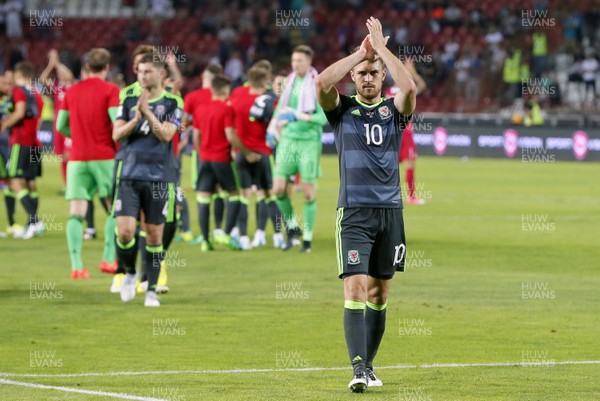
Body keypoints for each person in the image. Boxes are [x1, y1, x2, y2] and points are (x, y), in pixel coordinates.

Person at [315, 17, 416, 392]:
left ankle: (370, 365)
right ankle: (357, 368)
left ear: (382, 77)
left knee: (379, 293)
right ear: (354, 78)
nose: (369, 78)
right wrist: (360, 52)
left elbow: (409, 87)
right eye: (362, 73)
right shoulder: (340, 111)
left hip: (390, 212)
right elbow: (321, 82)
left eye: (374, 73)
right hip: (354, 213)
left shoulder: (394, 113)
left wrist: (382, 50)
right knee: (355, 288)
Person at [112, 54, 182, 307]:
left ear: (162, 74)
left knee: (154, 236)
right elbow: (117, 134)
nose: (142, 76)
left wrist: (148, 114)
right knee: (125, 232)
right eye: (140, 71)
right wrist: (135, 119)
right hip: (129, 175)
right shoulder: (128, 99)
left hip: (159, 178)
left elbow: (166, 135)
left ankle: (151, 289)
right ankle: (129, 272)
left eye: (148, 71)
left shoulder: (174, 102)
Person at [56, 48, 120, 279]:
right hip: (104, 157)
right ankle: (108, 259)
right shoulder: (111, 90)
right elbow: (117, 124)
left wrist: (78, 136)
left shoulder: (71, 92)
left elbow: (60, 125)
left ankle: (77, 266)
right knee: (115, 208)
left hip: (77, 159)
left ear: (86, 67)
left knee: (76, 213)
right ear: (106, 68)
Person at [193, 74, 260, 251]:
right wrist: (246, 152)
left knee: (204, 198)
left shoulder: (200, 109)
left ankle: (205, 241)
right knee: (235, 194)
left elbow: (195, 136)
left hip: (204, 159)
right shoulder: (226, 109)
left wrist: (202, 153)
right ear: (224, 90)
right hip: (222, 159)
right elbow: (230, 135)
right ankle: (226, 233)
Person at [270, 45, 327, 253]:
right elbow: (280, 111)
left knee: (309, 194)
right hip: (287, 139)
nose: (295, 64)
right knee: (277, 190)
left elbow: (323, 118)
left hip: (308, 142)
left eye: (300, 61)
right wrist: (272, 130)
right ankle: (293, 227)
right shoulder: (288, 82)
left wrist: (299, 115)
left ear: (309, 62)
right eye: (293, 61)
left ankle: (308, 240)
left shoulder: (318, 84)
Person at [229, 65, 283, 249]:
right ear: (265, 81)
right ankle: (278, 236)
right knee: (269, 195)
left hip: (241, 153)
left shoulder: (236, 95)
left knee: (244, 197)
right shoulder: (268, 100)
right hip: (262, 153)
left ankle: (244, 237)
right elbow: (277, 124)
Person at [183, 63, 227, 244]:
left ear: (203, 77)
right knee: (221, 191)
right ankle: (219, 229)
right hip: (223, 153)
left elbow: (183, 124)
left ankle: (204, 236)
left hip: (201, 152)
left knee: (203, 193)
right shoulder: (223, 96)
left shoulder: (192, 97)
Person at [1, 61, 45, 240]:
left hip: (21, 142)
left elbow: (19, 113)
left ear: (18, 75)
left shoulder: (19, 91)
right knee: (30, 183)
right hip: (35, 142)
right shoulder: (37, 94)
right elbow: (38, 119)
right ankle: (30, 223)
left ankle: (34, 221)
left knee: (15, 181)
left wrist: (4, 124)